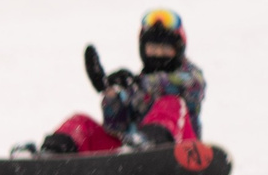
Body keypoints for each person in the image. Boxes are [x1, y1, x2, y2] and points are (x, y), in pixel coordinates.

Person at [37, 8, 207, 155]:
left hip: (181, 151)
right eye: (153, 48)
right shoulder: (135, 87)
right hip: (131, 154)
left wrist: (137, 83)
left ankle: (151, 145)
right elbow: (116, 127)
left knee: (170, 103)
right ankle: (52, 155)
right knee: (81, 122)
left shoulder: (190, 76)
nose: (158, 53)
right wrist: (111, 94)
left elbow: (184, 84)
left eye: (165, 48)